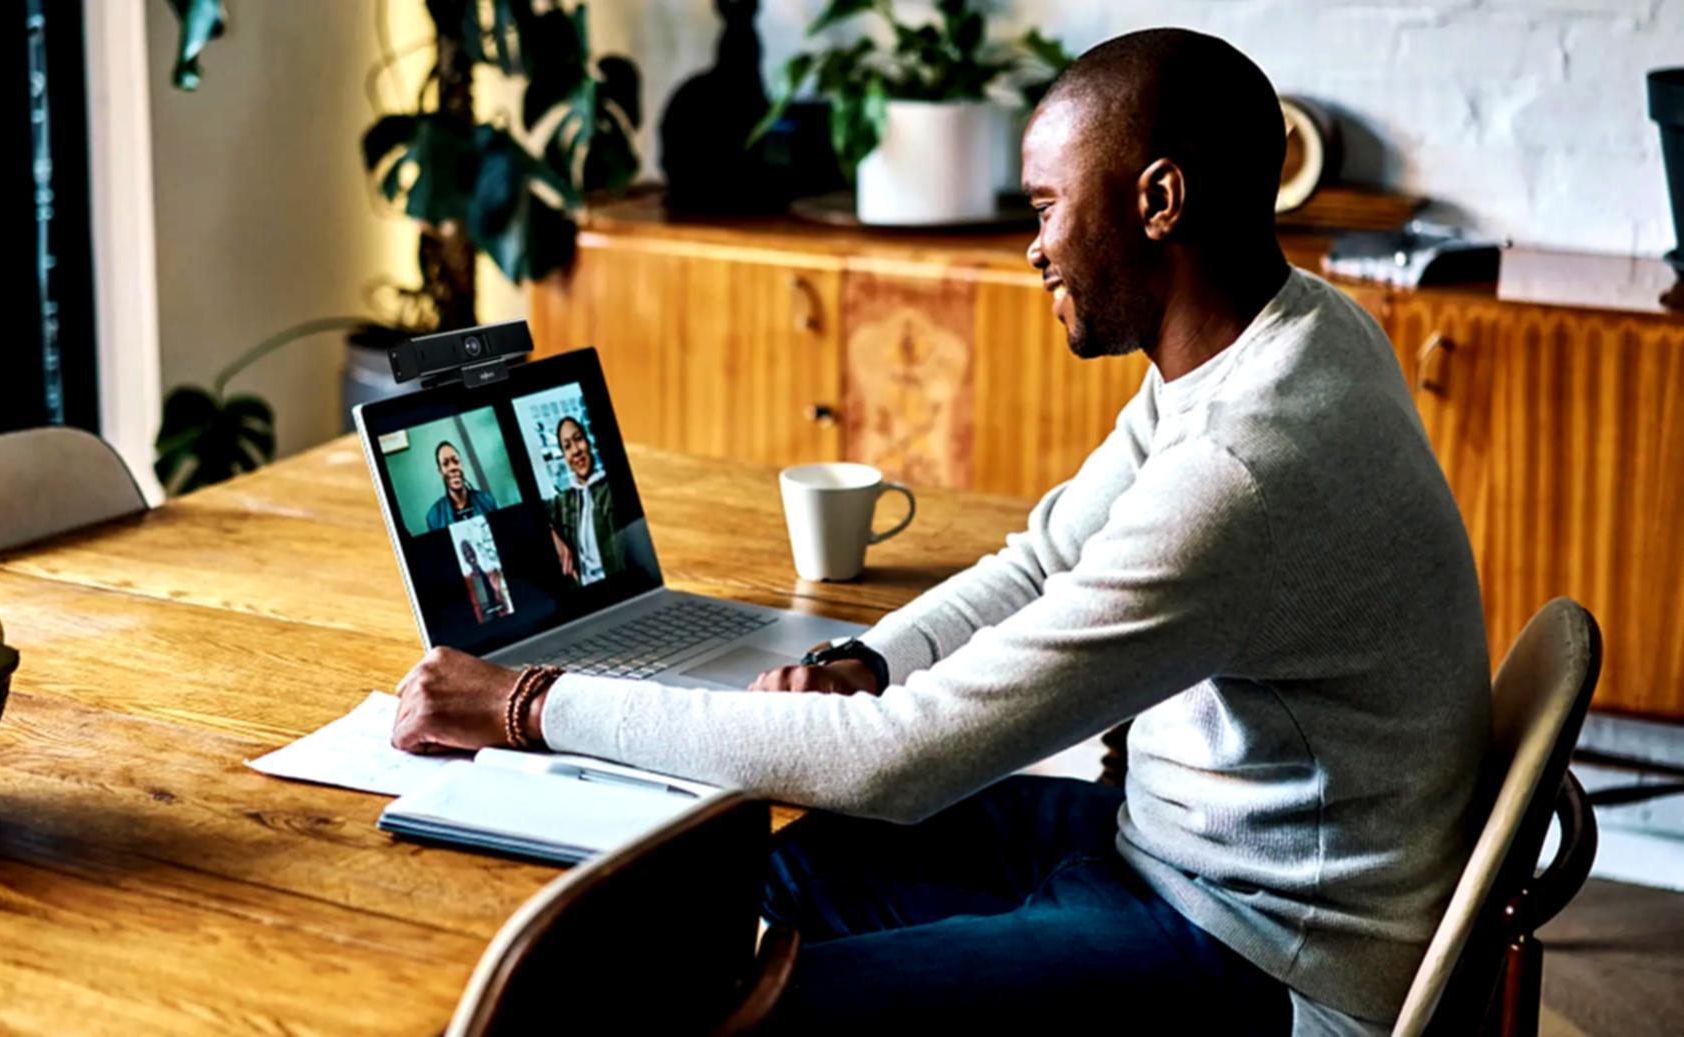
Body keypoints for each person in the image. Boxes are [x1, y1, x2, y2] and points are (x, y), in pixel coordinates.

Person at [389, 28, 1489, 1036]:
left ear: (1158, 200)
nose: (1034, 249)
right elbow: (1045, 558)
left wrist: (528, 703)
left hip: (1257, 950)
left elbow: (901, 760)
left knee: (750, 1011)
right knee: (750, 879)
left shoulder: (1245, 466)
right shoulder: (1291, 332)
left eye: (1046, 207)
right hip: (1165, 845)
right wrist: (866, 660)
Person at [543, 416, 625, 585]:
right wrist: (554, 538)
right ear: (564, 456)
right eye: (567, 446)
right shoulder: (564, 501)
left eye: (578, 439)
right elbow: (532, 513)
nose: (575, 451)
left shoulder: (613, 487)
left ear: (588, 442)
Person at [424, 441, 497, 531]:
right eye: (445, 464)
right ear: (440, 471)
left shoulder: (487, 500)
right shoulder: (434, 517)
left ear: (461, 464)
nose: (452, 467)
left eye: (456, 461)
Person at [459, 539, 511, 622]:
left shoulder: (491, 574)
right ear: (464, 559)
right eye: (465, 553)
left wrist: (497, 591)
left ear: (474, 552)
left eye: (470, 550)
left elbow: (505, 606)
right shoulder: (468, 582)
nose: (469, 554)